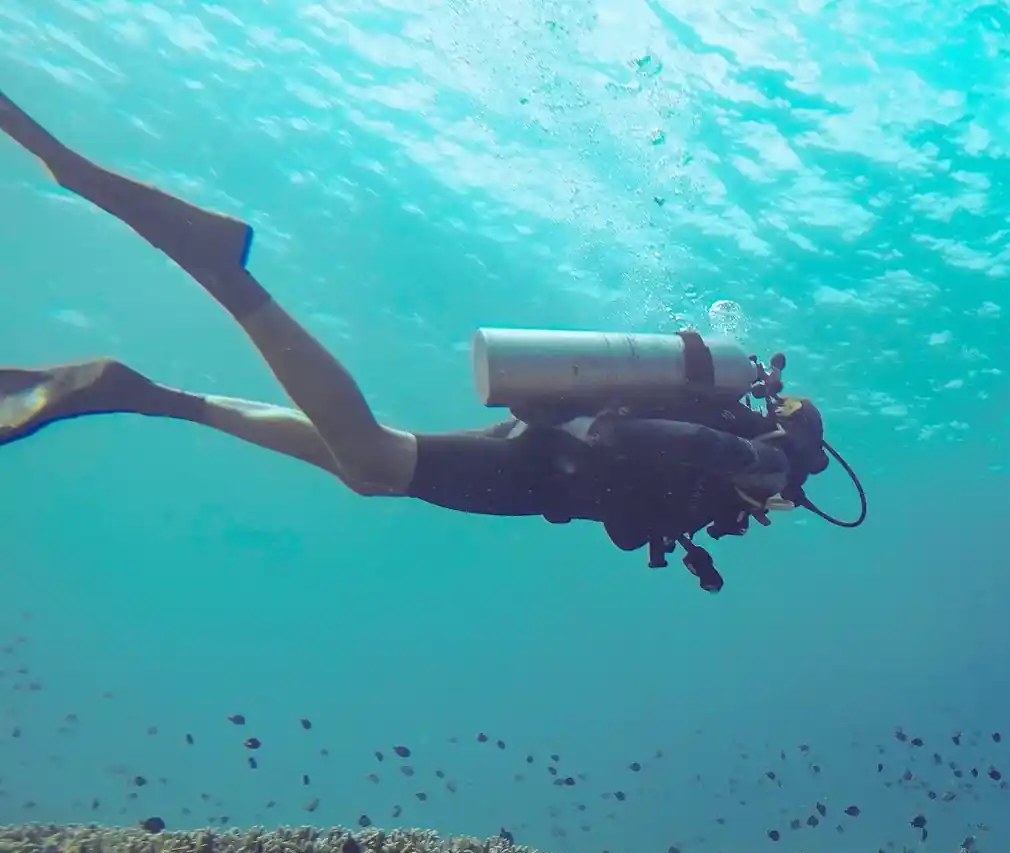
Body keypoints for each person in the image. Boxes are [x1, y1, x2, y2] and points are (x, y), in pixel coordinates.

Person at [0, 87, 863, 592]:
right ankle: (223, 272)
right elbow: (630, 438)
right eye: (787, 502)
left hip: (542, 462)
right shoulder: (755, 460)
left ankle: (143, 393)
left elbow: (632, 475)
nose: (774, 514)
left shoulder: (735, 463)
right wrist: (738, 462)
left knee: (366, 466)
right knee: (374, 462)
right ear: (795, 464)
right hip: (543, 464)